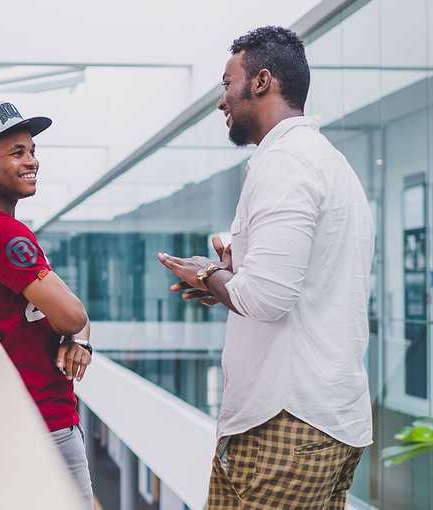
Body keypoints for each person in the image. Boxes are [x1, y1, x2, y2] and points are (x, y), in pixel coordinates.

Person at [157, 26, 374, 509]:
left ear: (261, 81)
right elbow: (294, 285)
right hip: (322, 419)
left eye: (226, 83)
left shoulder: (287, 163)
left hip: (286, 423)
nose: (221, 102)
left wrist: (206, 275)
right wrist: (226, 282)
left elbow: (266, 298)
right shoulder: (326, 161)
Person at [0, 101, 95, 508]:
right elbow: (73, 314)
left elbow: (75, 316)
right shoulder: (2, 235)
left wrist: (80, 340)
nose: (32, 161)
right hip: (43, 422)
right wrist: (76, 328)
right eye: (17, 152)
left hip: (28, 418)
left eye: (32, 151)